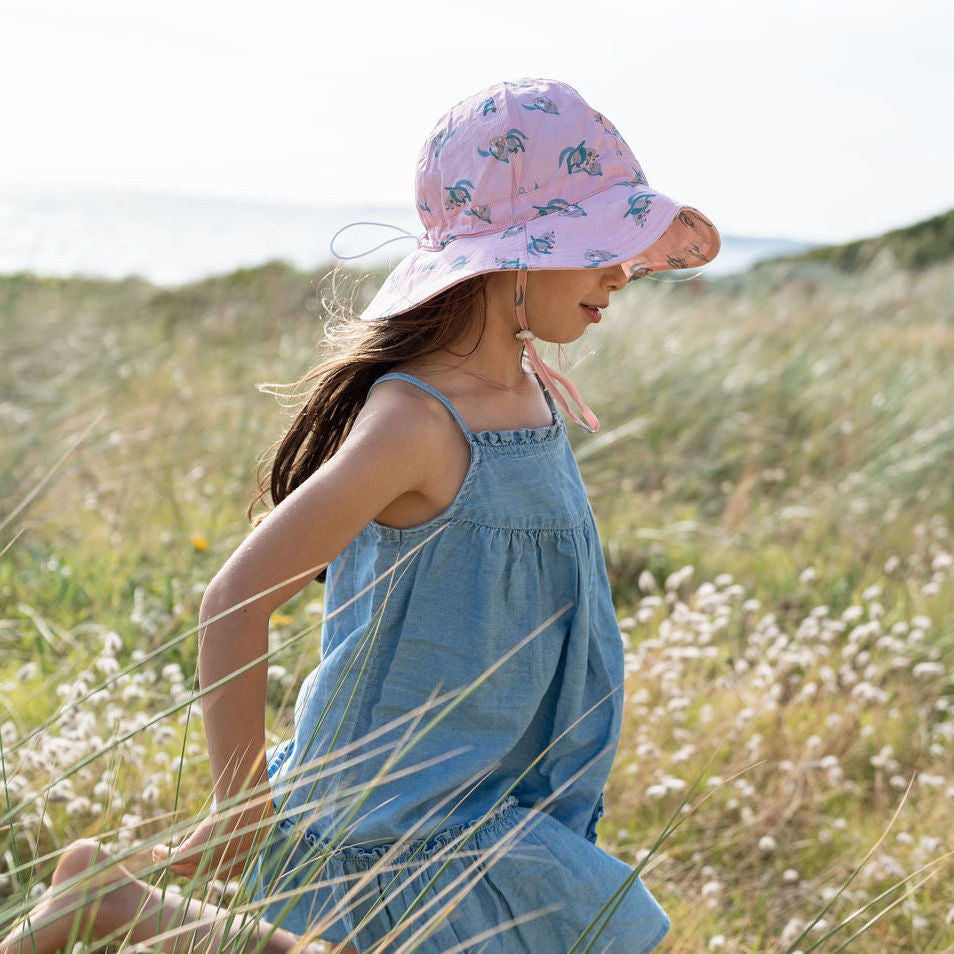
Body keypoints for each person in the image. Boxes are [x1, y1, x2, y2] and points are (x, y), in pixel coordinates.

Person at [1, 77, 719, 954]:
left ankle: (107, 896)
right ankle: (111, 901)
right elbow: (234, 601)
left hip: (481, 794)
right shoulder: (415, 422)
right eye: (597, 242)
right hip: (382, 806)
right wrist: (239, 800)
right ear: (515, 254)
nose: (622, 270)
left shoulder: (532, 394)